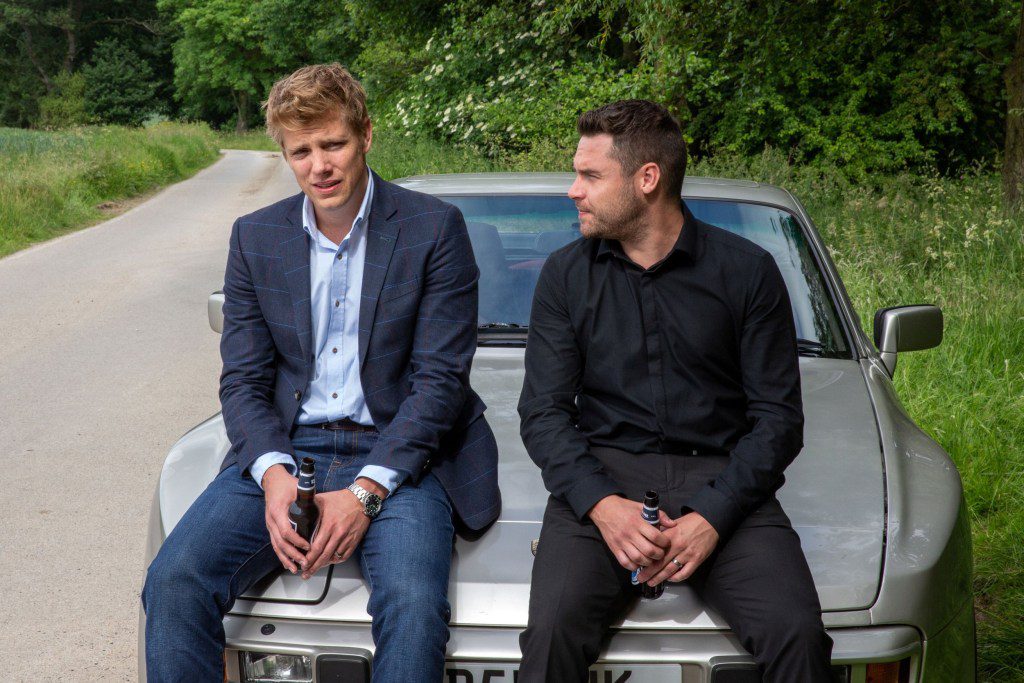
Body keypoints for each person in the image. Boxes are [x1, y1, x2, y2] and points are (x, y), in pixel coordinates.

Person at [142, 63, 500, 682]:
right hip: (289, 450)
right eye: (300, 151)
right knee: (172, 581)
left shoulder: (433, 228)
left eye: (332, 143)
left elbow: (440, 381)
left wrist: (365, 492)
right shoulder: (256, 237)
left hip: (401, 458)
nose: (319, 165)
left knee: (413, 607)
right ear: (285, 154)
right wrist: (274, 476)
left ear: (365, 134)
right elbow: (244, 382)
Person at [516, 100, 834, 681]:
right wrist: (603, 507)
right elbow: (543, 414)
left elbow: (778, 420)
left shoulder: (748, 271)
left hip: (722, 478)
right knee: (551, 636)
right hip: (603, 478)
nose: (573, 190)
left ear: (647, 179)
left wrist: (712, 515)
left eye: (589, 175)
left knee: (799, 636)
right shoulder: (566, 275)